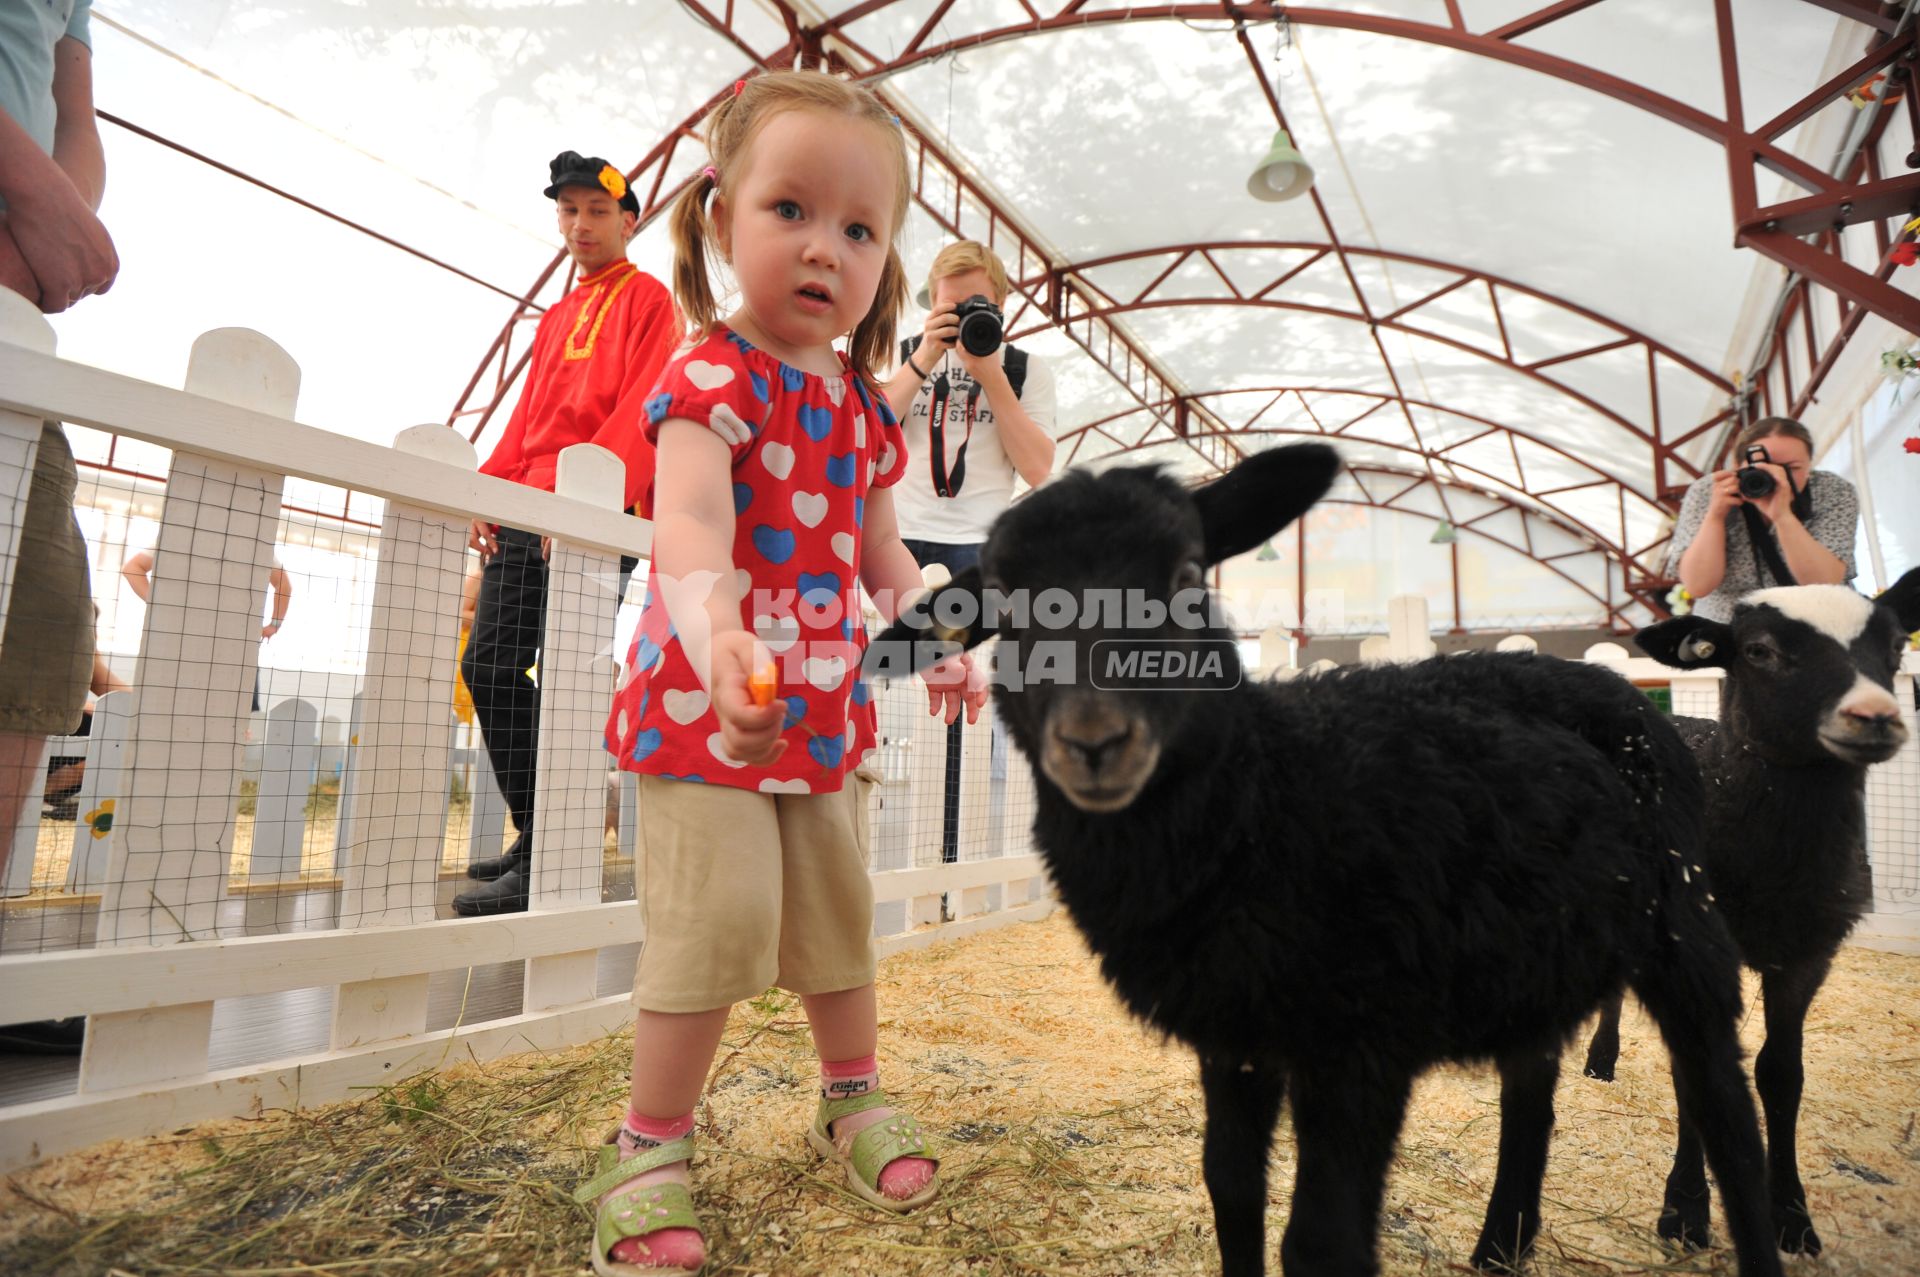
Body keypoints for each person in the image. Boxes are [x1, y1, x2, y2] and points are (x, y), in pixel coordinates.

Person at [589, 71, 982, 1274]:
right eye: (792, 211)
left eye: (861, 230)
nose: (827, 249)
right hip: (709, 702)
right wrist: (718, 641)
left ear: (887, 263)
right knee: (717, 921)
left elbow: (881, 551)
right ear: (721, 220)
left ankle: (849, 1096)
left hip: (823, 709)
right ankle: (648, 1140)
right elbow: (691, 532)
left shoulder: (865, 408)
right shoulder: (707, 378)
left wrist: (936, 630)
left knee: (832, 914)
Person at [452, 150, 679, 917]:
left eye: (594, 211)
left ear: (628, 219)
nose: (579, 225)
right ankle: (546, 830)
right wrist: (491, 485)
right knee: (488, 664)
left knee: (574, 684)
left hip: (592, 512)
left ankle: (553, 843)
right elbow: (527, 419)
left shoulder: (650, 300)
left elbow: (645, 405)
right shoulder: (555, 315)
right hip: (532, 510)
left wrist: (588, 506)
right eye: (568, 211)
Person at [881, 241, 1056, 870]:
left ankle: (951, 854)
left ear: (1002, 304)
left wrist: (989, 376)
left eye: (976, 304)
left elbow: (1038, 468)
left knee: (957, 705)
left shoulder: (1027, 370)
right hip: (895, 539)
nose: (961, 317)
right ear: (930, 303)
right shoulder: (903, 356)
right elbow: (865, 433)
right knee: (876, 683)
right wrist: (926, 357)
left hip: (978, 545)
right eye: (949, 306)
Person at [0, 0, 117, 893]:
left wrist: (52, 221)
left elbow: (73, 109)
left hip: (15, 317)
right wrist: (33, 193)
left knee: (39, 621)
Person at [1668, 415, 1858, 623]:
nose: (1778, 476)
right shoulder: (1708, 491)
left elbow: (1824, 583)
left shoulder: (1832, 491)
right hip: (1732, 630)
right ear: (1736, 466)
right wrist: (1715, 515)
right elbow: (1698, 585)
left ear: (1810, 466)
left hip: (1816, 626)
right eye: (1762, 466)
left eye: (1792, 468)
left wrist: (1782, 516)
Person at [122, 548, 289, 712]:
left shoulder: (256, 543)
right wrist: (274, 625)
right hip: (227, 644)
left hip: (213, 644)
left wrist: (163, 605)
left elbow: (132, 569)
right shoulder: (254, 543)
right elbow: (284, 584)